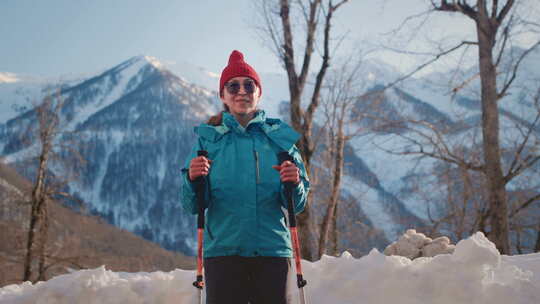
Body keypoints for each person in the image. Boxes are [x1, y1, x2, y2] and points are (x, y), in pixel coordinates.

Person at [181, 50, 310, 304]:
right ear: (223, 96)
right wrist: (192, 180)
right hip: (224, 253)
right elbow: (192, 204)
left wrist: (294, 183)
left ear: (259, 92)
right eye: (233, 86)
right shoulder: (208, 141)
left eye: (249, 85)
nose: (242, 91)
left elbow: (298, 205)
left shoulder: (280, 141)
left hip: (272, 251)